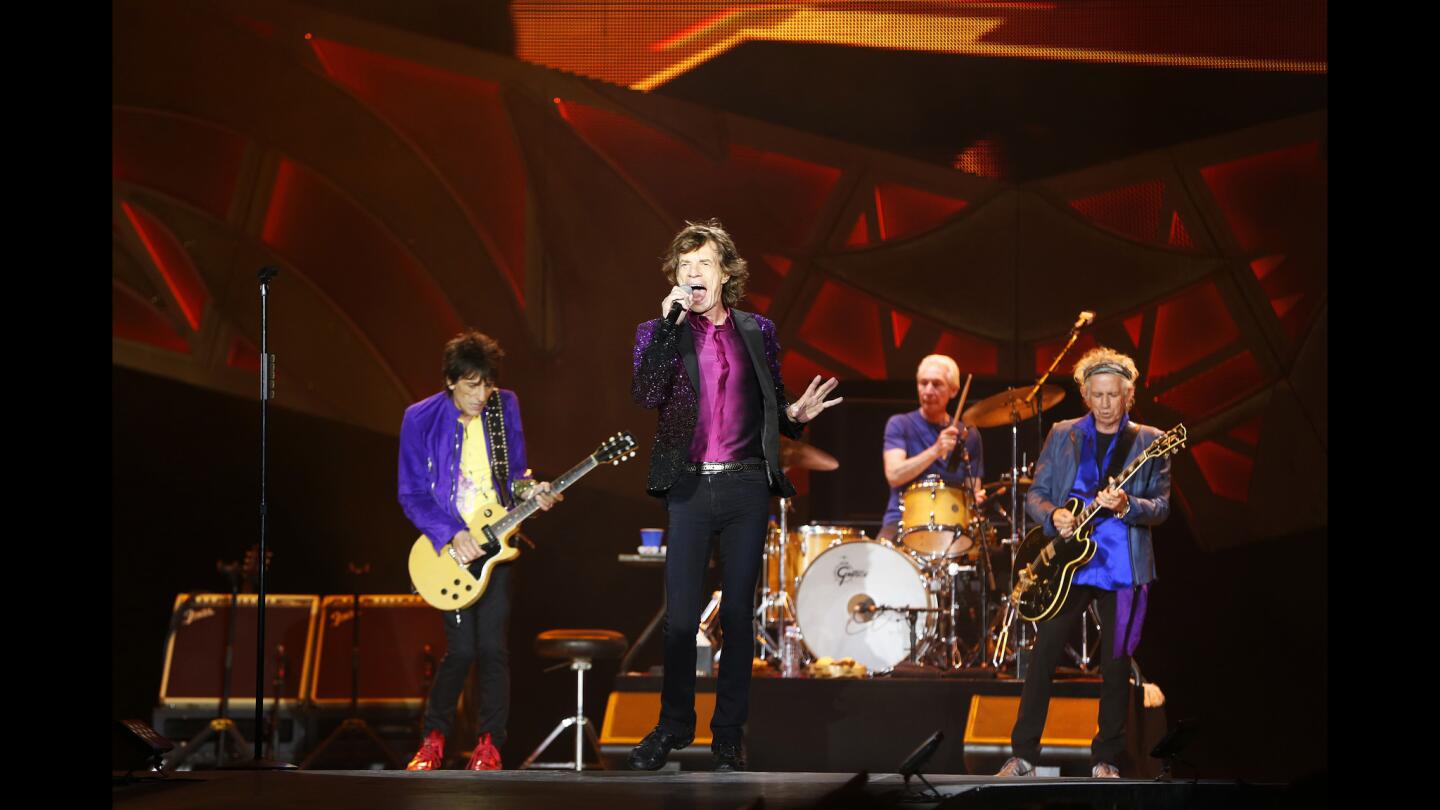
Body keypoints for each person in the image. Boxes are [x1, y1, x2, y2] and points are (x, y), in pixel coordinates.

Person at [628, 219, 841, 772]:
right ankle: (674, 725)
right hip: (690, 485)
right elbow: (645, 392)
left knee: (740, 615)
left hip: (746, 483)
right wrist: (671, 323)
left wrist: (795, 416)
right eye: (684, 266)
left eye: (703, 265)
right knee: (680, 619)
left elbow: (771, 397)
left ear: (725, 274)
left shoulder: (757, 330)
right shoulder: (657, 331)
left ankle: (728, 733)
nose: (693, 274)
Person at [996, 347, 1170, 779]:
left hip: (1124, 565)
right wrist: (1053, 515)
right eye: (1098, 395)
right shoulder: (1063, 433)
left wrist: (1128, 503)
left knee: (1114, 665)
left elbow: (1162, 507)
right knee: (1044, 655)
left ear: (1129, 395)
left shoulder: (1152, 440)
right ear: (1085, 395)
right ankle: (1022, 756)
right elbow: (1035, 494)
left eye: (1115, 395)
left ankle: (1106, 759)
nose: (1107, 404)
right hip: (1070, 563)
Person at [397, 330, 560, 771]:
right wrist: (450, 533)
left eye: (486, 384)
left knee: (493, 649)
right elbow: (412, 493)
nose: (481, 394)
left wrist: (534, 491)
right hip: (448, 552)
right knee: (462, 651)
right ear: (450, 381)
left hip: (497, 545)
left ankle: (490, 745)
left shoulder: (504, 406)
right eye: (471, 385)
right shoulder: (420, 418)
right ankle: (434, 738)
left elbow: (514, 478)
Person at [879, 354, 985, 544]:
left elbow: (972, 491)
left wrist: (975, 499)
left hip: (952, 525)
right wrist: (936, 449)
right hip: (901, 521)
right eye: (923, 383)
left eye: (936, 384)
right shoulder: (900, 424)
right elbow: (894, 475)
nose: (928, 390)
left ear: (953, 391)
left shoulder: (969, 435)